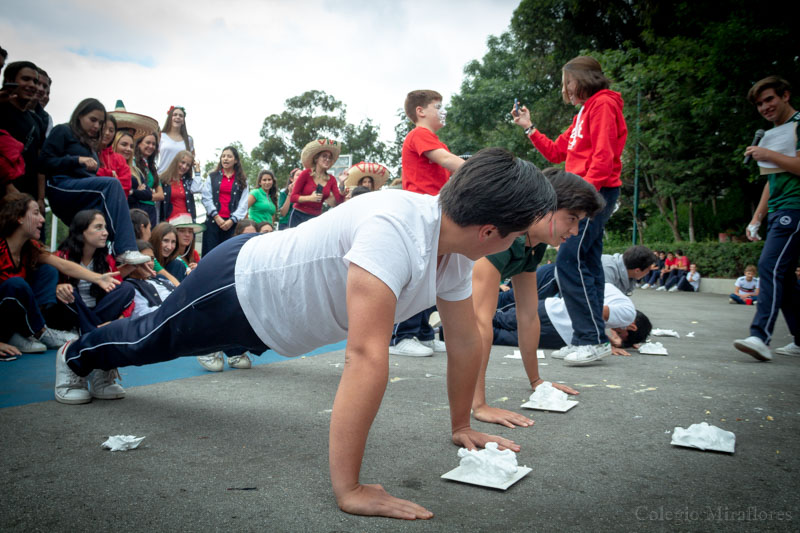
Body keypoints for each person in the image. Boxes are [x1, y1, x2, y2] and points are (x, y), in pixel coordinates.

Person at [54, 147, 548, 520]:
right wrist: (349, 490)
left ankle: (95, 356)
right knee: (148, 342)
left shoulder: (456, 255)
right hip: (238, 288)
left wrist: (461, 423)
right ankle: (78, 357)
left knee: (153, 342)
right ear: (488, 231)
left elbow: (464, 340)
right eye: (518, 233)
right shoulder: (396, 227)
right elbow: (366, 356)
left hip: (275, 324)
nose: (518, 242)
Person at [512, 55, 627, 365]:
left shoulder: (603, 104)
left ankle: (590, 338)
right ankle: (587, 337)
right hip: (588, 191)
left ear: (583, 78)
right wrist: (529, 127)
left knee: (569, 261)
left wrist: (581, 201)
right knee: (586, 263)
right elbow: (556, 151)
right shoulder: (584, 112)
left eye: (569, 81)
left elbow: (603, 157)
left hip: (593, 192)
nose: (566, 88)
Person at [469, 168, 602, 429]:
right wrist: (479, 405)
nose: (575, 231)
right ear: (544, 207)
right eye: (571, 218)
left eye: (579, 222)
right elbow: (479, 323)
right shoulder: (503, 233)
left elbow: (528, 316)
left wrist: (536, 382)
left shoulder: (533, 243)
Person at [389, 90, 465, 357]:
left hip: (436, 211)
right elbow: (446, 161)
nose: (442, 110)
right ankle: (403, 335)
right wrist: (479, 168)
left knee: (433, 273)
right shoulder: (420, 134)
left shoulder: (433, 139)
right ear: (420, 111)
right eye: (437, 106)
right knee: (421, 272)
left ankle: (422, 333)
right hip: (421, 211)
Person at [734, 76, 800, 361]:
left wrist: (766, 153)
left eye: (769, 99)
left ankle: (760, 336)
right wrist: (756, 218)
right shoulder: (775, 132)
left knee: (769, 266)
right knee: (783, 275)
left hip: (795, 208)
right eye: (759, 104)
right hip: (778, 209)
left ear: (785, 95)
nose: (765, 107)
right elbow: (771, 181)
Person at [38, 98, 149, 265]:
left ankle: (104, 258)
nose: (96, 126)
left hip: (83, 190)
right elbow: (43, 162)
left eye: (100, 122)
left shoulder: (91, 145)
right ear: (80, 115)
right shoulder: (63, 131)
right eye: (93, 120)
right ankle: (125, 249)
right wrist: (76, 160)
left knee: (102, 216)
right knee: (111, 184)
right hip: (60, 186)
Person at [1, 194, 112, 355]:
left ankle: (31, 333)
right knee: (15, 284)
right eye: (36, 213)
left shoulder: (29, 248)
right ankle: (38, 332)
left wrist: (98, 278)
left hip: (17, 317)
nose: (42, 219)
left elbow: (62, 264)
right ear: (19, 218)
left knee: (48, 271)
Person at [494, 284, 652, 357]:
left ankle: (470, 321)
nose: (615, 333)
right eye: (621, 335)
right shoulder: (627, 315)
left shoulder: (615, 294)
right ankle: (470, 333)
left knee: (498, 318)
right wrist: (602, 344)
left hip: (549, 307)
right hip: (558, 330)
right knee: (500, 335)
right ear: (632, 327)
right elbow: (592, 311)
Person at [0, 61, 46, 208]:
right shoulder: (2, 111)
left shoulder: (37, 121)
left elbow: (41, 163)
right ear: (10, 81)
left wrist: (40, 198)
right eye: (26, 79)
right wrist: (8, 186)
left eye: (35, 81)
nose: (33, 85)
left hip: (30, 198)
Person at [200, 145, 249, 254]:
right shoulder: (212, 176)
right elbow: (206, 197)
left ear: (235, 160)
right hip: (213, 222)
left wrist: (232, 220)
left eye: (229, 156)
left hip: (232, 225)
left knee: (227, 255)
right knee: (210, 255)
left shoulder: (242, 180)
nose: (225, 158)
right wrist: (216, 216)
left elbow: (244, 204)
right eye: (223, 156)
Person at [289, 139, 344, 227]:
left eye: (330, 157)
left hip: (316, 218)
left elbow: (339, 201)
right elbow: (293, 197)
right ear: (316, 159)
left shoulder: (332, 179)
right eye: (324, 156)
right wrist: (310, 198)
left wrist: (341, 184)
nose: (327, 159)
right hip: (298, 215)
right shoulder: (306, 174)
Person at [129, 131, 164, 227]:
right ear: (139, 143)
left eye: (154, 144)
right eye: (148, 142)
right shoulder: (132, 163)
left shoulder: (152, 168)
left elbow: (161, 195)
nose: (151, 146)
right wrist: (145, 194)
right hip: (137, 208)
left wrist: (143, 194)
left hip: (151, 209)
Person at [159, 149, 202, 223]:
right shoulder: (163, 180)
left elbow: (197, 189)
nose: (184, 166)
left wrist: (197, 172)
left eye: (188, 165)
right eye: (182, 162)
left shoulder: (188, 181)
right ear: (176, 161)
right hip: (170, 223)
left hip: (187, 222)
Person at [96, 115, 132, 194]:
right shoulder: (88, 151)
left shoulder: (120, 158)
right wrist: (111, 174)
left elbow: (126, 185)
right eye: (103, 128)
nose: (107, 133)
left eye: (111, 130)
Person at [157, 106, 194, 174]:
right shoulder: (161, 136)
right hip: (161, 176)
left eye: (181, 116)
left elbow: (191, 159)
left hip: (180, 180)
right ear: (170, 118)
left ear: (183, 121)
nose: (178, 117)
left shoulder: (189, 140)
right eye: (175, 115)